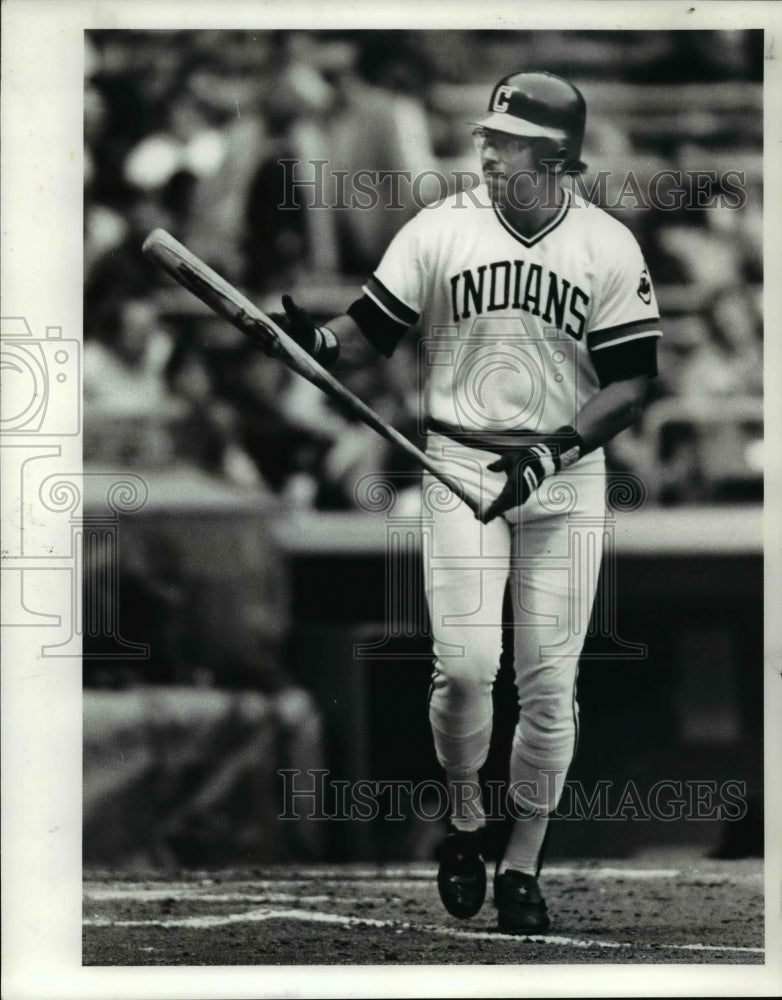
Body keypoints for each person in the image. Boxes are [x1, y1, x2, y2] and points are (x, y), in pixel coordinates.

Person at [270, 70, 662, 935]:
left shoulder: (606, 246)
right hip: (456, 466)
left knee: (550, 685)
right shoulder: (440, 227)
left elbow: (632, 386)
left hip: (563, 475)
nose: (484, 148)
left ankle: (522, 862)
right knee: (465, 669)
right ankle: (464, 819)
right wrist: (318, 341)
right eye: (485, 134)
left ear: (555, 156)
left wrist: (554, 451)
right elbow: (370, 331)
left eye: (506, 139)